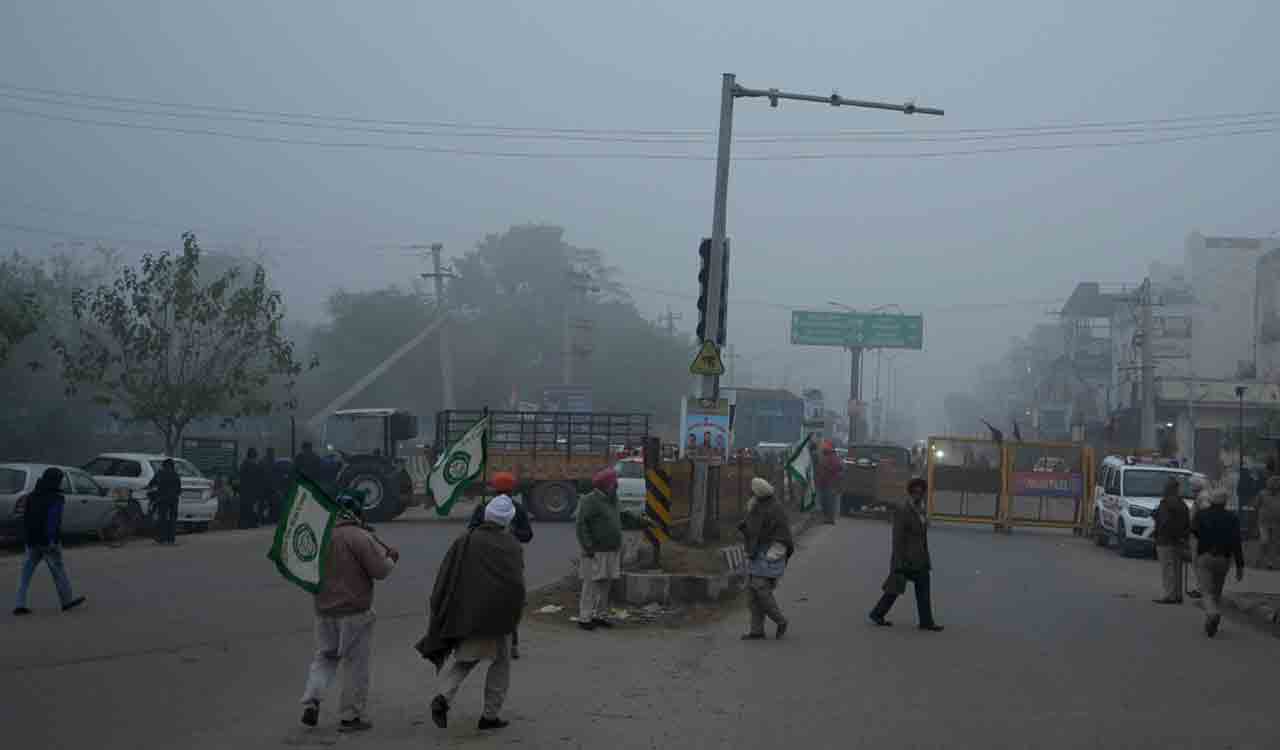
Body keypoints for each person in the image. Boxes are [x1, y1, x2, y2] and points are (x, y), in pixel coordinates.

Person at [420, 496, 525, 732]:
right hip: (500, 617)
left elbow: (446, 576)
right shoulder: (512, 545)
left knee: (466, 659)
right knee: (501, 663)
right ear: (508, 520)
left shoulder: (465, 540)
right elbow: (516, 585)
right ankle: (490, 715)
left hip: (468, 614)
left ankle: (443, 697)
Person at [299, 491, 398, 732]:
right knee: (355, 663)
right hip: (354, 611)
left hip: (323, 609)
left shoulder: (319, 536)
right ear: (357, 512)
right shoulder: (360, 537)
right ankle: (350, 716)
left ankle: (312, 700)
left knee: (325, 656)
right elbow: (380, 571)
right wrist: (392, 559)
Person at [468, 472, 532, 658]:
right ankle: (511, 644)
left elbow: (471, 531)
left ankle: (492, 644)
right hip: (511, 563)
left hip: (485, 562)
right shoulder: (513, 509)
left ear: (493, 489)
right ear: (512, 490)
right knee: (512, 602)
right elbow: (527, 535)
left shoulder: (486, 508)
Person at [869, 478, 944, 632]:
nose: (919, 495)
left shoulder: (920, 509)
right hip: (906, 558)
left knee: (920, 589)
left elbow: (922, 535)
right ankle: (878, 613)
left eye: (921, 492)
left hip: (920, 559)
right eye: (915, 492)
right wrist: (898, 561)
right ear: (910, 493)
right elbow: (897, 538)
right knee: (895, 587)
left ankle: (925, 621)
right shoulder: (903, 510)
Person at [13, 468, 86, 616]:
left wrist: (27, 538)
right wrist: (52, 540)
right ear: (56, 480)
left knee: (25, 575)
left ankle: (19, 604)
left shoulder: (32, 496)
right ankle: (66, 601)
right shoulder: (56, 498)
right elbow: (53, 520)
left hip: (32, 541)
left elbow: (25, 519)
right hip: (48, 542)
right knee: (58, 572)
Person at [737, 477, 794, 640]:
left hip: (771, 553)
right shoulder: (756, 505)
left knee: (760, 589)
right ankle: (757, 630)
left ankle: (780, 620)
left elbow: (782, 535)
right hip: (757, 553)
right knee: (752, 595)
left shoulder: (775, 509)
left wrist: (773, 555)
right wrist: (745, 529)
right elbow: (753, 529)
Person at [1190, 487, 1245, 638]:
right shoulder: (1232, 518)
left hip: (1205, 557)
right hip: (1224, 559)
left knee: (1206, 591)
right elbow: (1236, 542)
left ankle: (1212, 613)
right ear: (1226, 501)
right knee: (1216, 592)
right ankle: (1211, 620)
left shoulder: (1201, 515)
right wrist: (1240, 566)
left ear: (1211, 500)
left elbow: (1193, 533)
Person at [575, 467, 623, 631]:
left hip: (611, 550)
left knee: (605, 586)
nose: (617, 485)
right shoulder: (590, 500)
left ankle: (599, 615)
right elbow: (581, 525)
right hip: (595, 551)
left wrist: (640, 521)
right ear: (606, 484)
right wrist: (588, 547)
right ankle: (585, 617)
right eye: (614, 482)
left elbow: (620, 516)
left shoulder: (613, 499)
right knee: (591, 585)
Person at [1152, 477, 1191, 604]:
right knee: (1177, 568)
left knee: (1167, 568)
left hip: (1165, 540)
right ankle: (1178, 594)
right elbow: (1187, 522)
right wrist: (1183, 537)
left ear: (1168, 489)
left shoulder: (1165, 503)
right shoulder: (1182, 504)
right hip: (1179, 541)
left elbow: (1164, 522)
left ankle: (1169, 595)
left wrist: (1157, 523)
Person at [1186, 476, 1212, 598]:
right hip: (1199, 534)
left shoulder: (1203, 497)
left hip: (1199, 535)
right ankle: (1200, 587)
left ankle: (1201, 588)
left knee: (1198, 562)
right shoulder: (1202, 496)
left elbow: (1205, 515)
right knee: (1197, 562)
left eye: (1191, 485)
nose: (1190, 488)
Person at [147, 458, 182, 545]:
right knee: (173, 519)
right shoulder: (176, 474)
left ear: (164, 465)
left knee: (162, 518)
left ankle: (162, 539)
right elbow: (179, 489)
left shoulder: (160, 474)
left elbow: (151, 484)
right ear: (172, 466)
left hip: (162, 499)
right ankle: (171, 539)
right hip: (174, 500)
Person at [816, 440, 844, 524]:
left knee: (829, 501)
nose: (823, 448)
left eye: (825, 447)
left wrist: (827, 468)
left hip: (830, 483)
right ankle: (827, 518)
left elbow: (838, 467)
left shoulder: (833, 457)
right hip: (825, 482)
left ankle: (830, 518)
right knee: (825, 501)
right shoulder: (827, 457)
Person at [1256, 474, 1280, 569]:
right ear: (1269, 484)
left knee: (1274, 543)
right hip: (1263, 522)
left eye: (1277, 484)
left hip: (1277, 523)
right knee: (1264, 541)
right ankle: (1259, 559)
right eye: (1274, 483)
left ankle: (1270, 563)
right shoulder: (1262, 494)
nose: (1276, 485)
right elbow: (1256, 505)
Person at [237, 448, 265, 529]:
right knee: (251, 508)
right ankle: (251, 523)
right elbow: (258, 480)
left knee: (244, 508)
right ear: (253, 457)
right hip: (252, 491)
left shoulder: (243, 465)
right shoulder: (254, 466)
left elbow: (240, 478)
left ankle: (243, 524)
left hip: (244, 491)